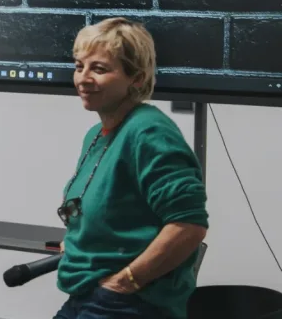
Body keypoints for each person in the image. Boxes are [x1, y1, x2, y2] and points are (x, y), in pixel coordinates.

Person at [53, 17, 208, 319]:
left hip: (130, 301)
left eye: (99, 69)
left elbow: (188, 226)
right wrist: (79, 242)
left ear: (136, 78)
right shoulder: (97, 135)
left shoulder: (149, 132)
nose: (83, 78)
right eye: (79, 66)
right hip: (88, 292)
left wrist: (126, 282)